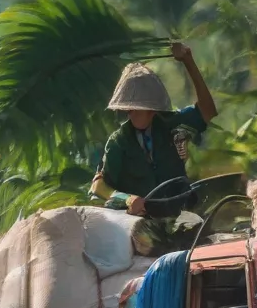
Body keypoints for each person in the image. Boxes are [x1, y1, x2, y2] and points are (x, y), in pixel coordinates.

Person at [89, 42, 218, 215]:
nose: (131, 113)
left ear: (153, 109)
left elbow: (208, 111)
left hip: (181, 215)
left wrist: (188, 61)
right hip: (140, 223)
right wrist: (127, 199)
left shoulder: (172, 124)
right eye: (128, 108)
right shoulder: (118, 142)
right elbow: (98, 186)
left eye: (137, 107)